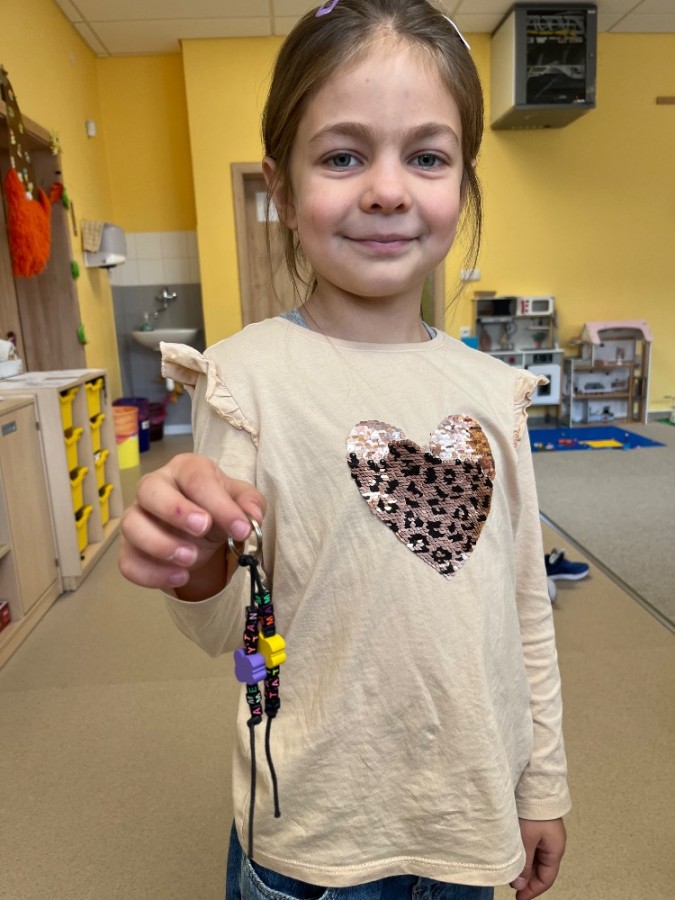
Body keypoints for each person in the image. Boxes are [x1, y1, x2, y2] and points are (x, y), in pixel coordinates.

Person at [118, 2, 571, 899]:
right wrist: (198, 561)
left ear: (463, 182)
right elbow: (226, 629)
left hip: (468, 819)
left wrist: (542, 784)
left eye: (427, 157)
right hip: (313, 840)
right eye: (342, 156)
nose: (387, 190)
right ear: (282, 191)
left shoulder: (493, 392)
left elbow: (524, 608)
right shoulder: (245, 379)